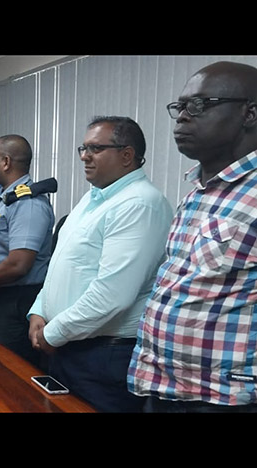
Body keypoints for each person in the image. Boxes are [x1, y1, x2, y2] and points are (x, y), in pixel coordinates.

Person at [128, 61, 257, 413]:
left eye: (199, 105)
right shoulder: (199, 190)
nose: (182, 117)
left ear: (250, 113)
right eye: (180, 107)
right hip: (165, 386)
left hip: (224, 399)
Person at [27, 116, 173, 412]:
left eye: (95, 148)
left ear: (127, 155)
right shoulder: (95, 198)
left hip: (103, 355)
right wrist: (40, 310)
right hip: (69, 344)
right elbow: (63, 265)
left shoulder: (139, 204)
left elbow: (112, 296)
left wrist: (53, 333)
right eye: (83, 147)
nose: (84, 155)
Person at [0, 135, 54, 367]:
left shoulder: (28, 204)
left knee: (16, 374)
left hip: (19, 302)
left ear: (6, 162)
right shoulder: (3, 198)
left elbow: (19, 264)